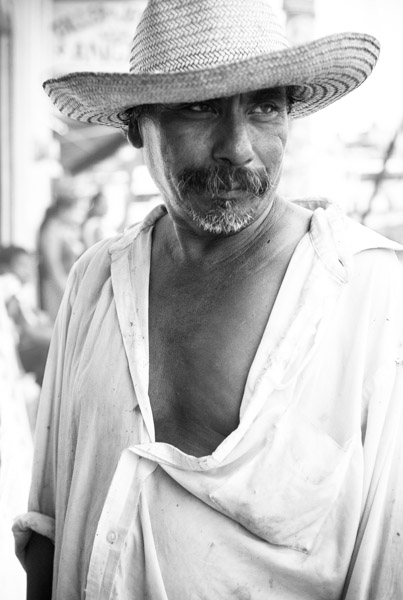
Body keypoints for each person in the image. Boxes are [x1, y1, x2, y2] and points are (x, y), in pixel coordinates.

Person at [13, 1, 403, 598]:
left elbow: (386, 564)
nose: (238, 147)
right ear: (136, 125)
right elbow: (49, 524)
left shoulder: (368, 295)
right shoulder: (95, 281)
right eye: (199, 107)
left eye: (265, 107)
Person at [37, 191, 84, 321]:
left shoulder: (64, 229)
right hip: (56, 286)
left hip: (66, 283)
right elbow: (53, 264)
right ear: (64, 210)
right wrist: (64, 289)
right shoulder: (52, 230)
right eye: (75, 209)